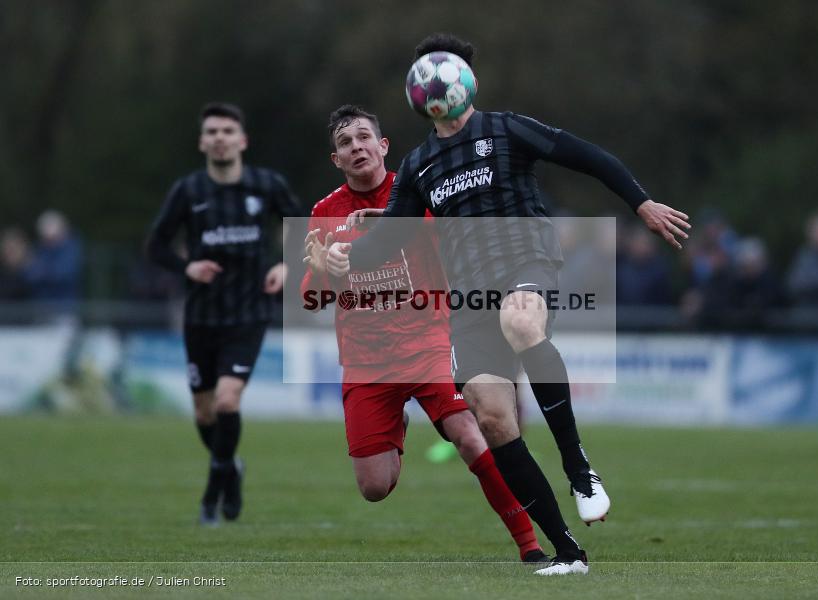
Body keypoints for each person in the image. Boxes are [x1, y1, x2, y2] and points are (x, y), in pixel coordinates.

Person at [326, 34, 690, 575]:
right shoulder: (421, 164)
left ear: (464, 85)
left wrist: (641, 202)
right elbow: (391, 240)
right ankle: (568, 551)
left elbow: (586, 157)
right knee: (493, 419)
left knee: (521, 320)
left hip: (527, 261)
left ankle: (578, 465)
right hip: (470, 294)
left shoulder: (505, 128)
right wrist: (344, 259)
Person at [302, 105, 547, 563]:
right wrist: (321, 273)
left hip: (430, 343)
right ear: (335, 159)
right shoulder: (324, 212)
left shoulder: (416, 189)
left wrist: (384, 223)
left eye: (363, 137)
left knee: (471, 437)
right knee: (375, 488)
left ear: (383, 145)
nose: (356, 146)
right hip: (366, 360)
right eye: (344, 143)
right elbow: (311, 295)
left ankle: (529, 546)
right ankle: (398, 423)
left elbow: (450, 238)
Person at [146, 102, 302, 525]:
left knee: (227, 400)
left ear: (242, 140)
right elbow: (156, 245)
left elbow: (305, 228)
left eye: (227, 130)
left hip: (248, 312)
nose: (219, 137)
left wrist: (287, 264)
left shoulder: (267, 186)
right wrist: (187, 267)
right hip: (201, 316)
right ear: (202, 141)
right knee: (204, 413)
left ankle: (217, 483)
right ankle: (231, 466)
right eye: (211, 131)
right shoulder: (188, 191)